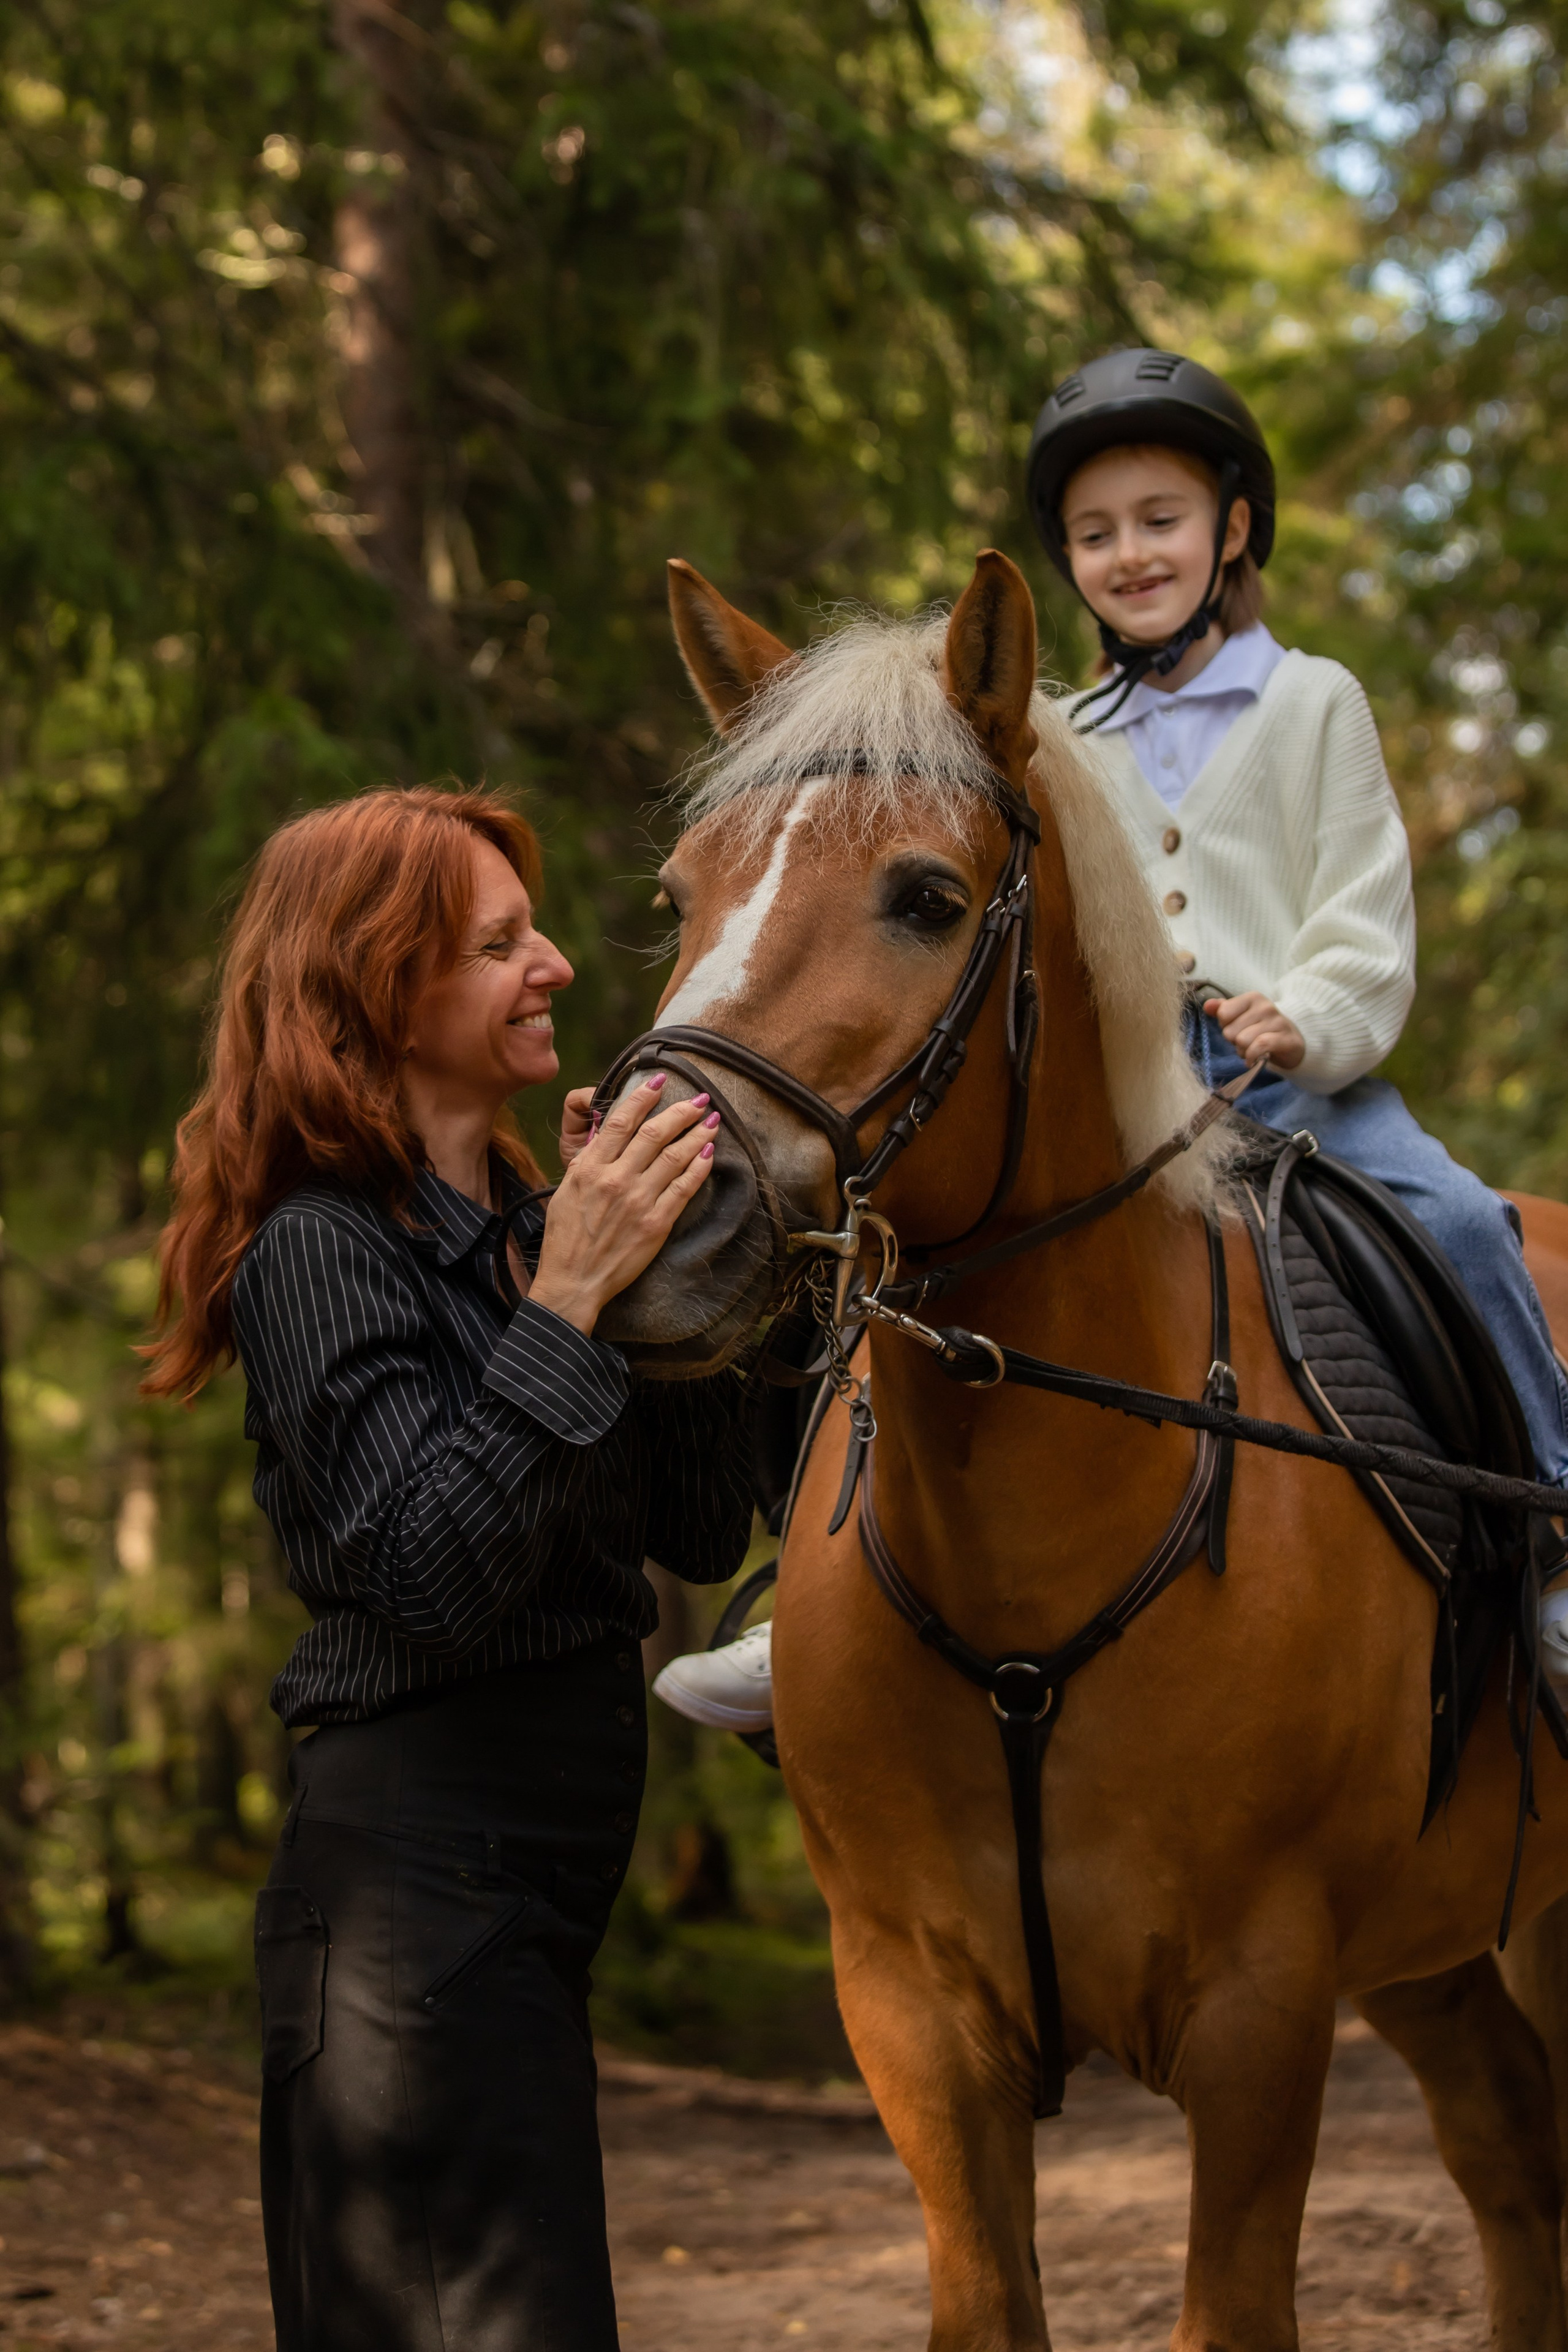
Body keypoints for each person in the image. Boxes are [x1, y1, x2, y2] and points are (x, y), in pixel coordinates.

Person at [654, 346, 1568, 1735]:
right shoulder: (1044, 732)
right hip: (1114, 1087)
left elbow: (1363, 911)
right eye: (1094, 533)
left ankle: (1552, 1541)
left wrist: (1306, 1015)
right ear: (1063, 560)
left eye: (1159, 519)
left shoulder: (1313, 700)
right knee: (888, 1248)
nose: (1129, 553)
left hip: (1291, 1081)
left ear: (1231, 530)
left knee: (1455, 1223)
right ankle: (808, 1581)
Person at [143, 785, 755, 2352]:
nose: (552, 961)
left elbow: (695, 1525)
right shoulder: (318, 1251)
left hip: (525, 1918)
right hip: (411, 1919)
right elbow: (426, 1569)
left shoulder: (531, 1234)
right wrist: (568, 1299)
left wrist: (653, 1277)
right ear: (379, 990)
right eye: (498, 944)